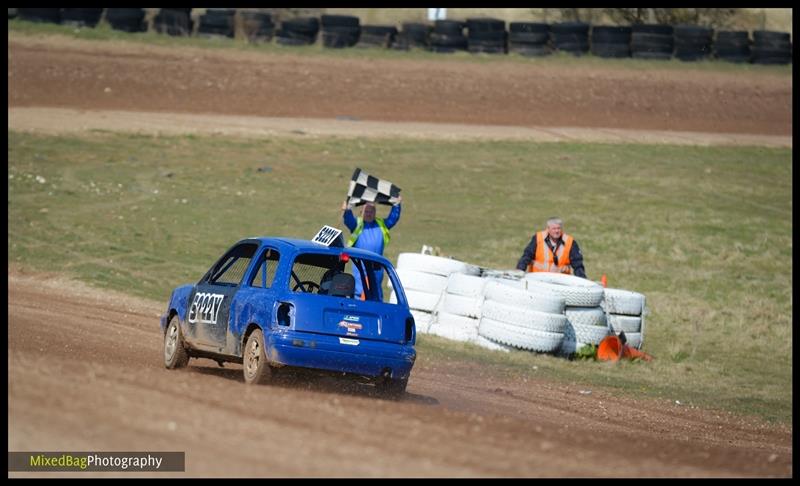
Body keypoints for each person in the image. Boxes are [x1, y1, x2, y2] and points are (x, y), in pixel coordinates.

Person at [341, 196, 402, 300]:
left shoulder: (382, 225)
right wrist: (347, 210)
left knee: (376, 293)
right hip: (360, 267)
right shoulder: (357, 224)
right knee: (360, 293)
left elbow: (393, 218)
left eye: (371, 211)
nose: (369, 214)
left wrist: (397, 205)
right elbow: (348, 220)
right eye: (367, 211)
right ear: (362, 212)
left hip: (376, 269)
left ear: (375, 213)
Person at [516, 217, 586, 278]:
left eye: (558, 228)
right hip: (538, 278)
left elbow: (578, 264)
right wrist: (520, 271)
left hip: (560, 281)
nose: (556, 231)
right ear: (548, 229)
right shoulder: (538, 238)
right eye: (554, 229)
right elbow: (526, 256)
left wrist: (582, 280)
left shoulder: (570, 242)